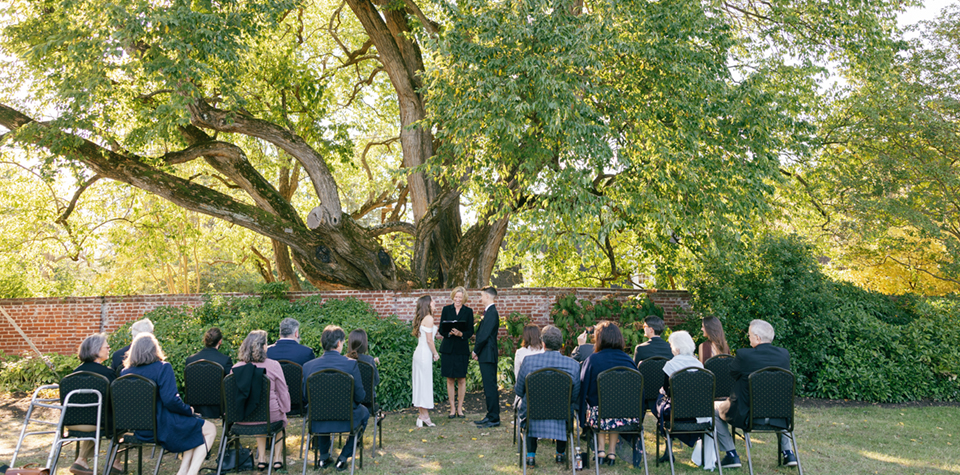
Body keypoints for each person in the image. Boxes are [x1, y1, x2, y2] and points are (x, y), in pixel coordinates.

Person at [121, 334, 216, 475]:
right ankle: (192, 472)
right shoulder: (163, 367)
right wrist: (188, 410)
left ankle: (183, 471)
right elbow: (170, 400)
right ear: (154, 349)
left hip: (139, 429)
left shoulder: (125, 373)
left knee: (191, 426)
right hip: (163, 426)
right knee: (210, 429)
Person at [714, 319, 797, 468]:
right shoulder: (784, 355)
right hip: (780, 415)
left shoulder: (744, 355)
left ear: (757, 338)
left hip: (748, 415)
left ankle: (731, 455)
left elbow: (732, 372)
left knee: (714, 410)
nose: (749, 338)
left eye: (750, 335)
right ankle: (788, 453)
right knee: (777, 404)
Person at [301, 326, 369, 471]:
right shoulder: (351, 364)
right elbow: (360, 396)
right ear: (339, 343)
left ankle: (324, 457)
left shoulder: (308, 367)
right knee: (365, 413)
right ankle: (343, 458)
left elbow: (306, 397)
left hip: (318, 419)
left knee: (321, 409)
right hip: (347, 419)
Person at [515, 325, 580, 467]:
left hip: (533, 413)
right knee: (566, 408)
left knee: (529, 407)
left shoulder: (529, 362)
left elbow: (519, 390)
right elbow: (574, 396)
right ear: (561, 344)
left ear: (543, 344)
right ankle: (560, 454)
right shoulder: (573, 365)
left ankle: (531, 456)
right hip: (561, 415)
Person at [579, 321, 638, 467]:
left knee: (598, 406)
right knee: (614, 410)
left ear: (599, 338)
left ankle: (600, 450)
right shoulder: (628, 360)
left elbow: (583, 385)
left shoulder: (592, 359)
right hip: (626, 415)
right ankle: (611, 453)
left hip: (599, 416)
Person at [231, 330, 291, 471]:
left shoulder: (235, 368)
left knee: (258, 412)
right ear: (262, 347)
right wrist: (285, 409)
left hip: (244, 416)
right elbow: (282, 390)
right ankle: (277, 458)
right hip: (270, 415)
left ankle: (262, 458)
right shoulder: (274, 365)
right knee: (279, 419)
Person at [66, 334, 125, 475]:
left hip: (72, 422)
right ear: (96, 350)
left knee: (96, 415)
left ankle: (81, 460)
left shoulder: (73, 374)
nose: (109, 348)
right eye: (106, 346)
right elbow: (117, 400)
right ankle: (115, 463)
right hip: (99, 422)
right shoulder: (107, 374)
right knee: (126, 420)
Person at [653, 331, 704, 463]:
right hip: (696, 412)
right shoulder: (699, 365)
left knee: (659, 403)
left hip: (675, 412)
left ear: (677, 348)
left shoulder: (671, 365)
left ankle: (667, 444)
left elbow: (666, 390)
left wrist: (662, 391)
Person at [438, 286, 474, 418]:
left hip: (461, 348)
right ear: (453, 296)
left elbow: (470, 331)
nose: (458, 299)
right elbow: (441, 329)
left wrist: (461, 334)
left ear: (464, 298)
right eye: (456, 297)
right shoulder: (446, 309)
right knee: (450, 379)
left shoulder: (468, 311)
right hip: (448, 348)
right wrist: (449, 333)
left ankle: (460, 408)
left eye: (460, 297)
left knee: (462, 379)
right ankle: (452, 408)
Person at [185, 327, 233, 418]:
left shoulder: (190, 360)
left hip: (195, 405)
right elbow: (230, 384)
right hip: (218, 406)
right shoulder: (225, 360)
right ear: (220, 341)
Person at [472, 286, 501, 428]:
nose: (480, 298)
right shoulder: (489, 312)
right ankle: (490, 415)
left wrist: (476, 351)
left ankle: (494, 418)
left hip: (488, 355)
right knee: (488, 387)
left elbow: (484, 336)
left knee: (490, 387)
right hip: (486, 354)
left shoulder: (491, 313)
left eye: (482, 295)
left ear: (488, 297)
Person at [411, 295, 440, 427]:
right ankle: (425, 416)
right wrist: (435, 353)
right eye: (432, 301)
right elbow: (429, 340)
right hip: (424, 353)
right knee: (424, 384)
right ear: (427, 304)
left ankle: (422, 415)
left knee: (421, 383)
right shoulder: (428, 318)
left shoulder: (423, 318)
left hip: (420, 352)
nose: (435, 303)